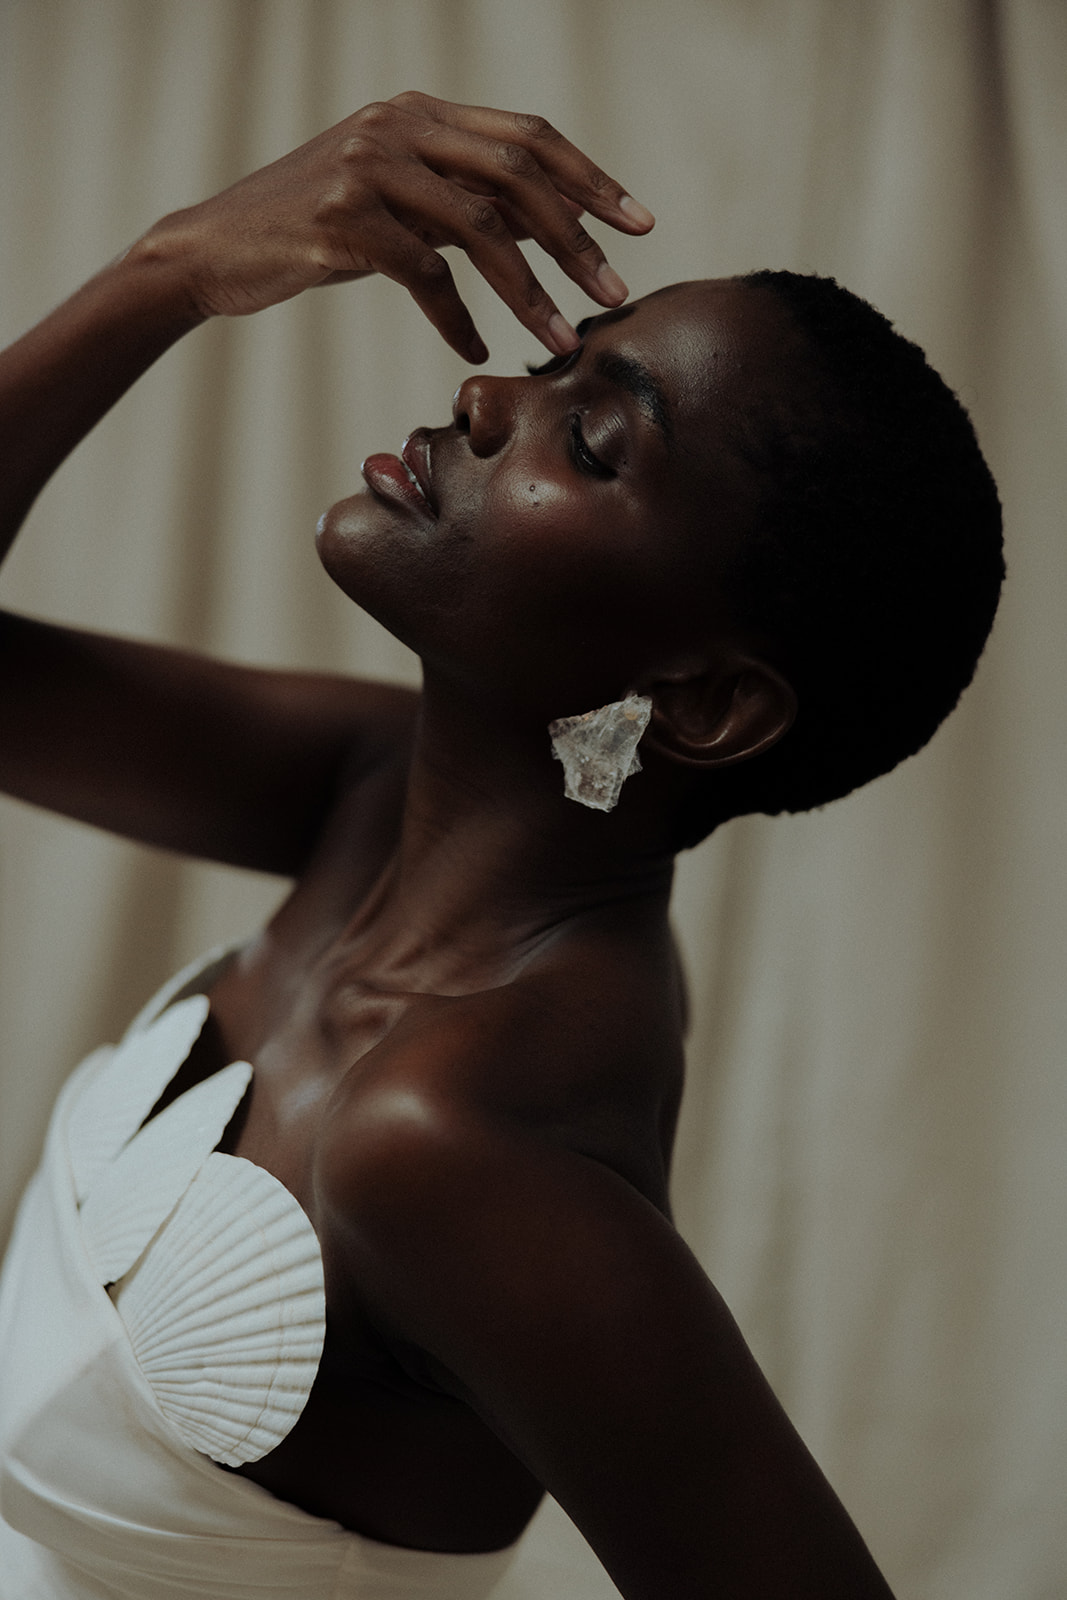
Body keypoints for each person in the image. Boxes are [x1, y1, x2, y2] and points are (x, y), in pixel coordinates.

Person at [0, 91, 1002, 1600]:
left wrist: (165, 269)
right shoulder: (373, 797)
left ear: (707, 699)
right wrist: (179, 269)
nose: (482, 399)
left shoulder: (458, 1146)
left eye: (591, 439)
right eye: (548, 366)